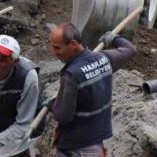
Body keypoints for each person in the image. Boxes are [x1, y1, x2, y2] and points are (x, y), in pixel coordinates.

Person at [48, 24, 136, 157]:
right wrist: (114, 39)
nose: (53, 52)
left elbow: (64, 116)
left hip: (74, 146)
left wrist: (52, 105)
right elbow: (130, 49)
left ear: (73, 44)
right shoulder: (103, 59)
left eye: (57, 47)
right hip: (95, 144)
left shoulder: (72, 75)